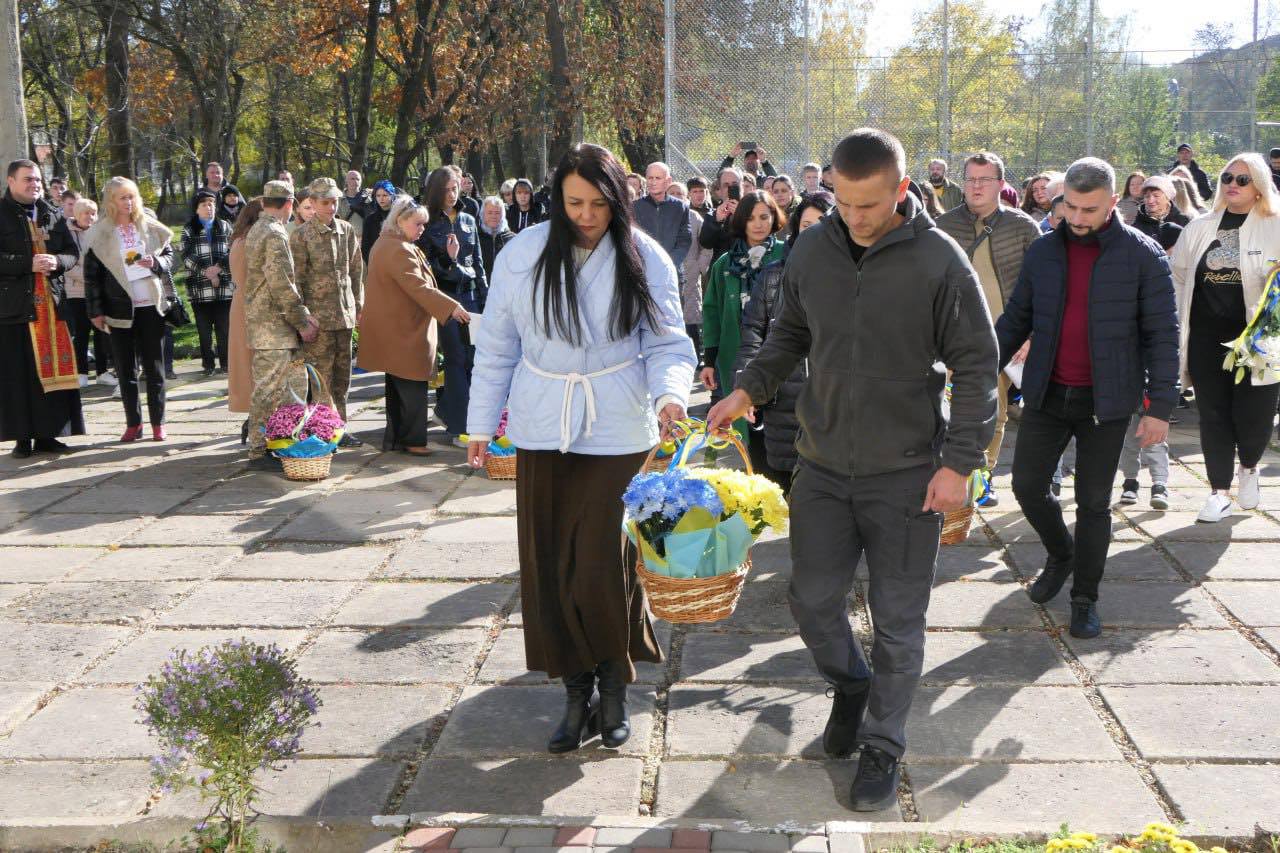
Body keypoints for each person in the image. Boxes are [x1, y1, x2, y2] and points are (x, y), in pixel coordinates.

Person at [708, 128, 997, 812]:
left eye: (870, 204)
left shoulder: (939, 260)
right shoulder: (812, 249)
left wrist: (959, 462)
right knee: (810, 599)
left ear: (903, 190)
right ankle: (850, 682)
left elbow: (977, 366)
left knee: (899, 620)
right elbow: (790, 333)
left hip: (908, 474)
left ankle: (883, 745)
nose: (856, 218)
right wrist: (748, 389)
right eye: (844, 202)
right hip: (823, 465)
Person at [466, 142, 695, 755]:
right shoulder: (522, 253)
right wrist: (481, 424)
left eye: (598, 203)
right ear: (557, 199)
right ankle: (575, 690)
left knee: (602, 565)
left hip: (618, 426)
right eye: (574, 203)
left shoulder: (644, 255)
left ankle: (614, 687)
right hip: (543, 424)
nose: (587, 215)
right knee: (550, 565)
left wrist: (671, 397)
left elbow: (668, 343)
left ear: (617, 199)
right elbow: (497, 345)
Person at [996, 157, 1178, 639]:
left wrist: (1160, 407)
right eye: (1070, 207)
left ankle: (1085, 598)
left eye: (1089, 210)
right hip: (1047, 392)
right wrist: (977, 367)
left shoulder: (1143, 255)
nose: (1077, 218)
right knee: (1027, 486)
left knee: (1093, 503)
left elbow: (1163, 335)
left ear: (1114, 202)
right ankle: (1062, 554)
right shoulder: (1043, 251)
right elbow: (1016, 318)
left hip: (1107, 401)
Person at [1170, 153, 1280, 522]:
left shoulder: (1275, 225)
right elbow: (1179, 276)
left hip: (1258, 340)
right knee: (1213, 415)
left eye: (1242, 180)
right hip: (1206, 337)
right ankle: (1218, 491)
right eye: (1227, 177)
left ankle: (1249, 466)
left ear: (1259, 185)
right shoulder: (1199, 227)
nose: (1233, 184)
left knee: (1254, 417)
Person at [935, 152, 1042, 507]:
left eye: (984, 179)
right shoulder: (944, 226)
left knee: (993, 412)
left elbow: (1042, 286)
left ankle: (983, 478)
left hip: (1005, 339)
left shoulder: (1022, 226)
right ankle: (951, 474)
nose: (976, 186)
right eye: (970, 179)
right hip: (952, 338)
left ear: (1000, 184)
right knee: (947, 410)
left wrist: (1030, 335)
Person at [733, 190, 835, 494]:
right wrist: (746, 387)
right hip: (782, 398)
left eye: (823, 224)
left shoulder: (851, 278)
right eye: (807, 225)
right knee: (784, 489)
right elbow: (753, 333)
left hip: (832, 402)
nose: (814, 233)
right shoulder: (773, 276)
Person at [361, 195, 471, 454]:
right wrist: (451, 307)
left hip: (396, 327)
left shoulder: (389, 242)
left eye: (423, 224)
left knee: (398, 388)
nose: (422, 229)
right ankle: (413, 441)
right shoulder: (398, 248)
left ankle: (397, 439)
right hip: (404, 330)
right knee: (413, 386)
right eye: (418, 224)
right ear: (400, 221)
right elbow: (418, 287)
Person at [84, 176, 179, 443]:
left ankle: (159, 423)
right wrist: (95, 311)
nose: (128, 202)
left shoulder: (148, 225)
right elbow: (91, 277)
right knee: (125, 371)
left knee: (155, 369)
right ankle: (133, 424)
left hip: (151, 306)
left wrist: (156, 262)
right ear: (111, 201)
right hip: (118, 309)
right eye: (122, 197)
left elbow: (170, 256)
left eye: (131, 196)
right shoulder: (100, 232)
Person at [0, 159, 85, 457]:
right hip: (15, 308)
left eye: (37, 179)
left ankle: (49, 435)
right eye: (28, 179)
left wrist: (56, 261)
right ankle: (22, 439)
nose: (34, 184)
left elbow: (72, 253)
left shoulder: (52, 213)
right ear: (11, 181)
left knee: (54, 371)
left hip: (53, 306)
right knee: (19, 375)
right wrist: (27, 264)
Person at [701, 189, 787, 478]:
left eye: (764, 216)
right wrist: (709, 360)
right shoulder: (725, 263)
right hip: (736, 354)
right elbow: (712, 312)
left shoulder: (787, 254)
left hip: (779, 352)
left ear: (775, 218)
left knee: (779, 426)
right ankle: (760, 484)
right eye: (751, 218)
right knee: (748, 426)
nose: (758, 224)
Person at [243, 180, 319, 469]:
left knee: (289, 389)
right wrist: (302, 321)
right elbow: (282, 284)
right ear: (289, 204)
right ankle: (258, 449)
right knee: (269, 390)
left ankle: (282, 442)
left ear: (264, 203)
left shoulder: (258, 228)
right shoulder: (274, 233)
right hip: (273, 328)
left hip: (269, 325)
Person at [290, 177, 364, 441]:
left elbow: (356, 271)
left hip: (344, 316)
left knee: (343, 379)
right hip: (319, 321)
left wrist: (359, 306)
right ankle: (323, 430)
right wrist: (303, 318)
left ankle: (339, 428)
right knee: (321, 380)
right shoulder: (301, 236)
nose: (331, 207)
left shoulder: (346, 230)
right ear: (312, 202)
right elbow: (296, 281)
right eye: (325, 202)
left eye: (335, 202)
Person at [420, 166, 487, 447]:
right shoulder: (427, 223)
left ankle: (446, 410)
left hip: (471, 298)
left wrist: (486, 299)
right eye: (447, 189)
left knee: (474, 360)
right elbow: (426, 268)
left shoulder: (469, 218)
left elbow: (479, 263)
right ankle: (460, 427)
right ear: (436, 191)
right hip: (445, 299)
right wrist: (449, 259)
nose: (452, 194)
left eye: (455, 188)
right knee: (456, 360)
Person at [181, 190, 236, 377]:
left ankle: (226, 363)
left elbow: (233, 251)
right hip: (200, 290)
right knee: (204, 332)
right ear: (196, 209)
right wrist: (206, 272)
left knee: (224, 329)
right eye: (204, 204)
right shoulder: (189, 229)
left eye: (211, 203)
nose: (208, 207)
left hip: (224, 288)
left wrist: (218, 268)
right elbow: (186, 255)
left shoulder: (225, 226)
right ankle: (208, 364)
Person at [59, 197, 110, 388]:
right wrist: (91, 278)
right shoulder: (66, 233)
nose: (90, 216)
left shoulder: (101, 233)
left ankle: (102, 372)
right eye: (86, 213)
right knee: (81, 333)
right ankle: (81, 372)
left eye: (93, 213)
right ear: (77, 214)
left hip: (99, 292)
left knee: (101, 332)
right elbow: (67, 264)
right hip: (76, 292)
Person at [226, 199, 264, 442]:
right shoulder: (247, 241)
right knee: (251, 364)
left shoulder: (242, 239)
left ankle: (255, 420)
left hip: (245, 305)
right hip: (250, 307)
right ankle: (254, 422)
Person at [665, 181, 713, 360]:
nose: (677, 197)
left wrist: (700, 266)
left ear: (686, 197)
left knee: (690, 317)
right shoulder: (661, 216)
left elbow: (706, 245)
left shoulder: (694, 217)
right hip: (667, 273)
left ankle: (695, 357)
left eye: (680, 193)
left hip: (690, 273)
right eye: (673, 193)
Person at [632, 162, 693, 288]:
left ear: (668, 181)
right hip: (643, 275)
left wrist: (668, 263)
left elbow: (684, 240)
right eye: (650, 178)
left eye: (658, 178)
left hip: (672, 273)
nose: (653, 182)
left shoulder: (680, 207)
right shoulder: (635, 207)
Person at [697, 166, 743, 262]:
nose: (730, 188)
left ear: (741, 185)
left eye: (735, 184)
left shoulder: (754, 210)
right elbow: (706, 243)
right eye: (726, 185)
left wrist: (741, 216)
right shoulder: (713, 214)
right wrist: (716, 221)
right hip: (721, 266)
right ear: (720, 189)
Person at [1132, 175, 1187, 252]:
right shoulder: (1136, 226)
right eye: (1147, 196)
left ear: (1167, 197)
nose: (1150, 200)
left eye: (1156, 196)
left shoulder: (1183, 221)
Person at [477, 195, 514, 280]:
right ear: (482, 214)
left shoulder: (512, 239)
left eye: (497, 213)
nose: (493, 216)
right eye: (490, 212)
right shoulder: (476, 238)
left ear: (503, 215)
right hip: (481, 285)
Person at [361, 180, 397, 261]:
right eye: (378, 195)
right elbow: (365, 247)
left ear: (392, 196)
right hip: (376, 261)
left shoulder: (400, 217)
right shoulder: (370, 220)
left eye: (385, 195)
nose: (381, 198)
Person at [339, 170, 372, 238]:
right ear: (346, 181)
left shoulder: (368, 199)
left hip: (364, 239)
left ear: (361, 182)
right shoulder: (338, 199)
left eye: (358, 179)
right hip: (345, 239)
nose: (355, 181)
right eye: (352, 179)